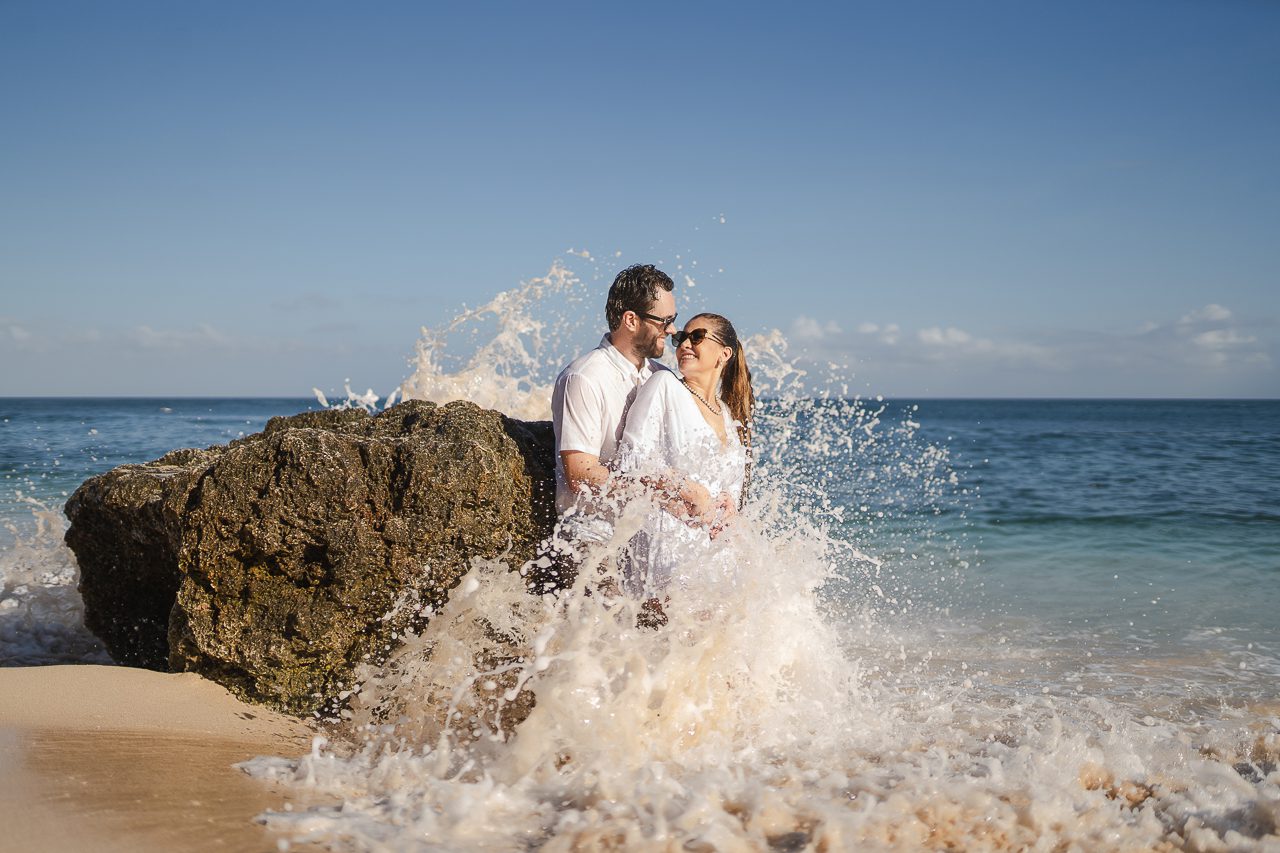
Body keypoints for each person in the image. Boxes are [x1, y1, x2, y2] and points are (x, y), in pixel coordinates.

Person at [542, 264, 678, 583]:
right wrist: (652, 489)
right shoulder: (584, 378)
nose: (672, 330)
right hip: (590, 539)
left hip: (645, 539)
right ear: (631, 320)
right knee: (614, 633)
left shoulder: (662, 378)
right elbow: (579, 473)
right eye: (665, 321)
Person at [614, 313, 755, 597]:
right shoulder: (664, 386)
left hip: (715, 563)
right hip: (666, 552)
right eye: (681, 338)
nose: (684, 344)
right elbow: (632, 461)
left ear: (724, 354)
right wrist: (685, 488)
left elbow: (731, 493)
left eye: (697, 337)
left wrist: (732, 512)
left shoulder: (729, 415)